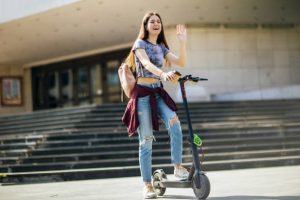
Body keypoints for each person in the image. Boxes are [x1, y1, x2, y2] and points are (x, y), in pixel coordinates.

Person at [122, 11, 188, 199]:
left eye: (158, 21)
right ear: (146, 25)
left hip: (158, 93)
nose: (156, 23)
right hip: (142, 95)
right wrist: (162, 74)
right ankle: (147, 185)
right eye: (152, 21)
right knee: (146, 140)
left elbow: (182, 62)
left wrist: (183, 42)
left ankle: (178, 166)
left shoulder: (161, 47)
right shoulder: (139, 44)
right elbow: (146, 63)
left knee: (174, 121)